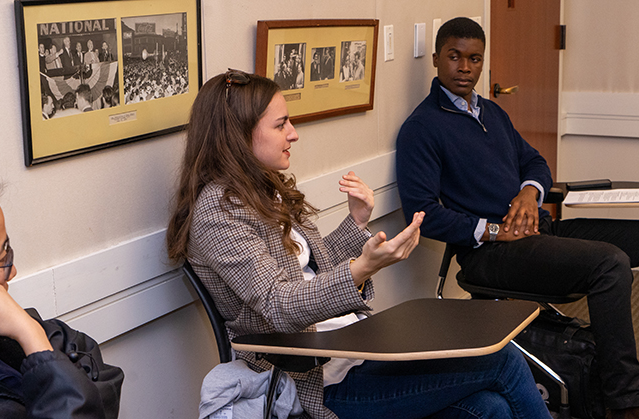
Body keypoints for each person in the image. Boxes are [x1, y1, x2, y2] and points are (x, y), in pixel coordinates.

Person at [395, 17, 639, 419]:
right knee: (609, 264)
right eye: (455, 57)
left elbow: (535, 162)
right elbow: (424, 215)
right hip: (490, 253)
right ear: (436, 59)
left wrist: (528, 192)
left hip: (540, 229)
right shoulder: (422, 128)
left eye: (474, 59)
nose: (465, 68)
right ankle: (622, 404)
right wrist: (493, 231)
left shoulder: (492, 112)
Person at [166, 69, 552, 419]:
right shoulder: (218, 212)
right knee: (502, 361)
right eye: (281, 124)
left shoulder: (266, 187)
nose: (293, 133)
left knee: (491, 407)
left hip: (350, 353)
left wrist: (357, 223)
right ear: (239, 134)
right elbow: (280, 304)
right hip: (316, 381)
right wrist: (363, 267)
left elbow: (313, 272)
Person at [0, 178, 124, 418]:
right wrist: (30, 337)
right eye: (2, 259)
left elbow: (103, 375)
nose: (12, 271)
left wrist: (29, 331)